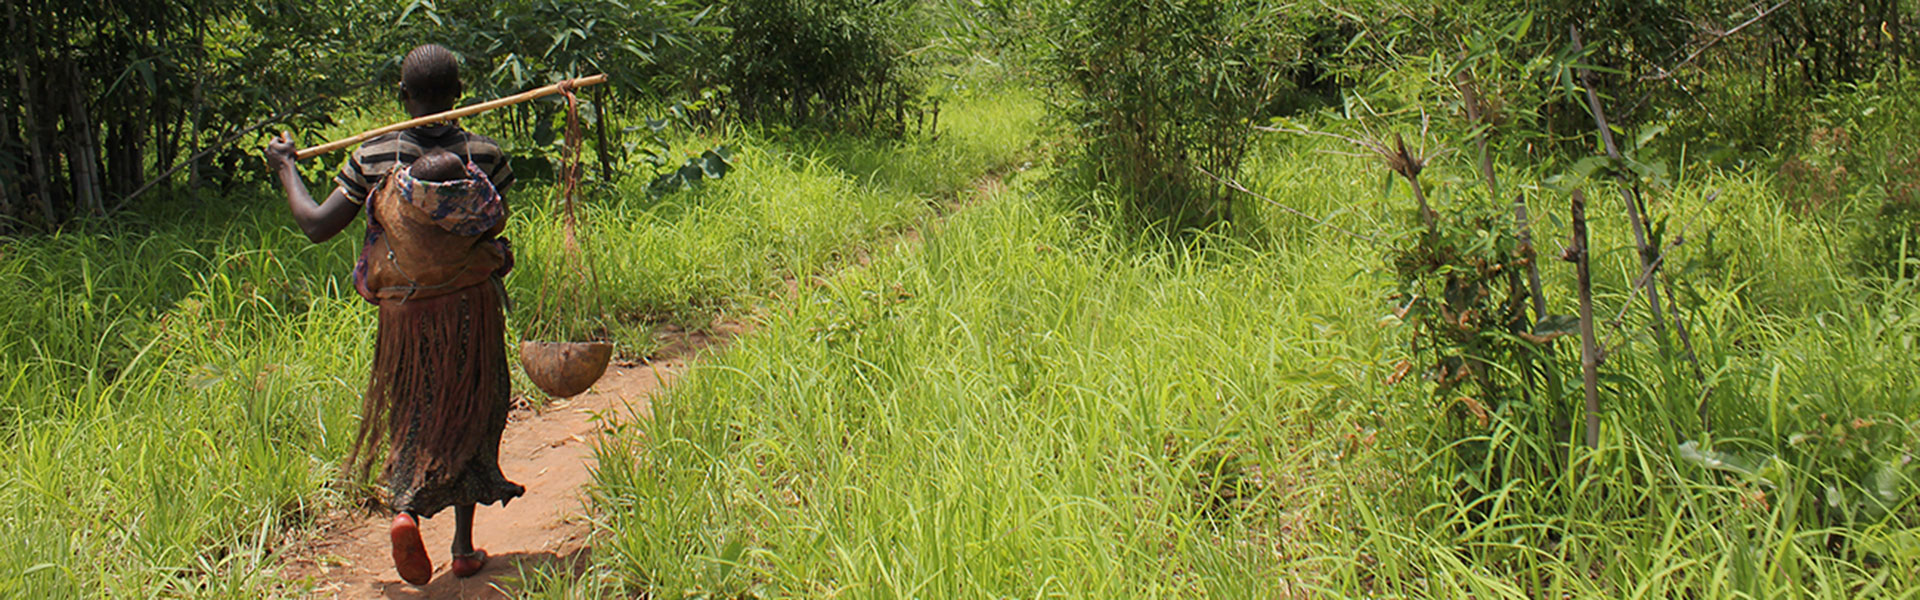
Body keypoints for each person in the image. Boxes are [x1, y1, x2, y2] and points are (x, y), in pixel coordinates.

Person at [262, 43, 521, 585]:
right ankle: (464, 546)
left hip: (405, 315)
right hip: (470, 307)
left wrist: (286, 168)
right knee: (470, 408)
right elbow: (489, 224)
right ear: (458, 94)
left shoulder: (373, 155)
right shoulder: (486, 153)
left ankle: (405, 511)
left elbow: (316, 224)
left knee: (414, 411)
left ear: (403, 96)